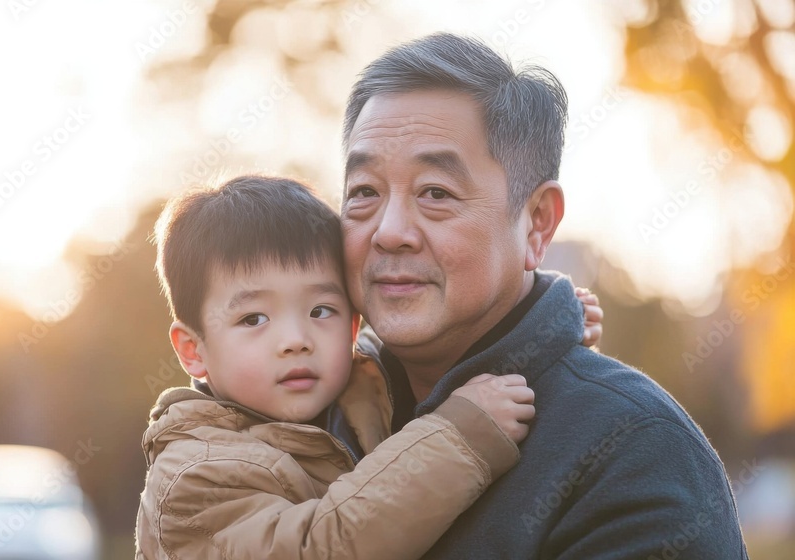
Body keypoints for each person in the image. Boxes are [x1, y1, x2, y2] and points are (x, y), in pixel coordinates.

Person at [339, 32, 748, 559]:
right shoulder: (299, 418)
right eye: (364, 192)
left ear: (537, 222)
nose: (389, 231)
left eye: (435, 192)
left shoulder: (634, 451)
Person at [134, 175, 601, 559]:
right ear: (193, 350)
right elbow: (323, 546)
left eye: (321, 311)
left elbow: (449, 339)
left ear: (354, 324)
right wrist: (460, 437)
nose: (296, 340)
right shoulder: (195, 476)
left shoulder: (367, 384)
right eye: (253, 319)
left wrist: (547, 322)